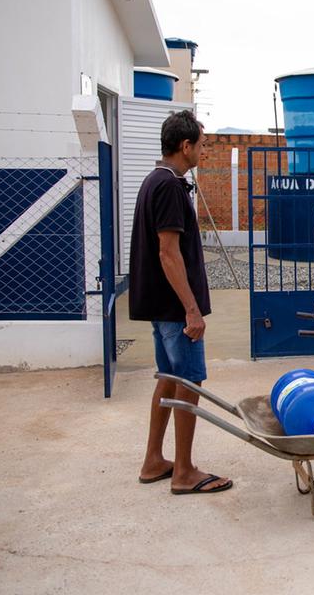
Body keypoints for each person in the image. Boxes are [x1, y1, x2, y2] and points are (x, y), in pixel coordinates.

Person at [129, 110, 232, 495]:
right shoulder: (171, 186)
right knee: (189, 381)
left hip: (159, 308)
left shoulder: (153, 181)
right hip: (175, 310)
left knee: (169, 381)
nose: (204, 151)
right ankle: (184, 471)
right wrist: (192, 309)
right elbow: (168, 253)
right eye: (202, 144)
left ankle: (154, 460)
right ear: (184, 146)